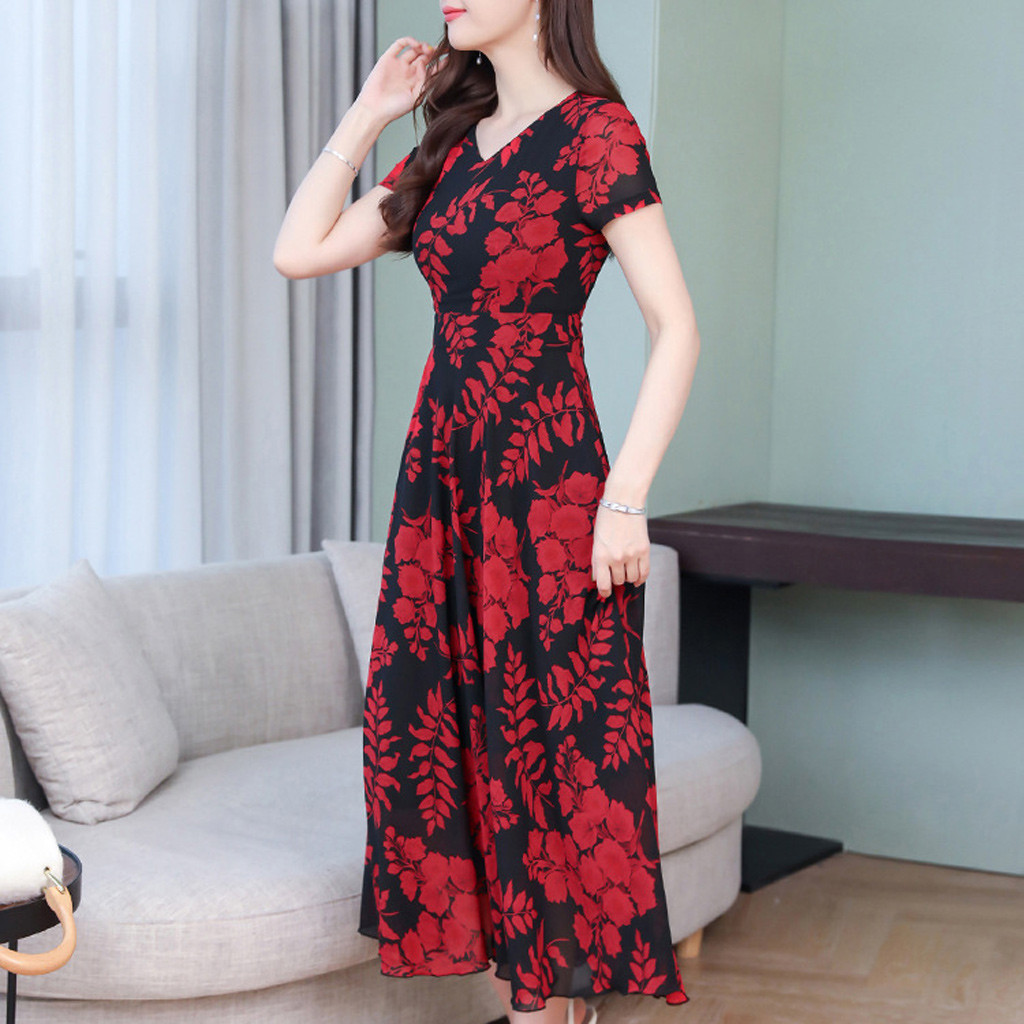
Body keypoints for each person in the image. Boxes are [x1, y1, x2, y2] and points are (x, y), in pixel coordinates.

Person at [274, 2, 700, 1021]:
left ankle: (550, 1003)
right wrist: (371, 112)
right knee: (448, 731)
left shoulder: (597, 133)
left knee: (555, 745)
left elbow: (676, 325)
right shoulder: (450, 146)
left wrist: (626, 501)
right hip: (442, 490)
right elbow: (298, 250)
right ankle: (539, 1004)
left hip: (551, 488)